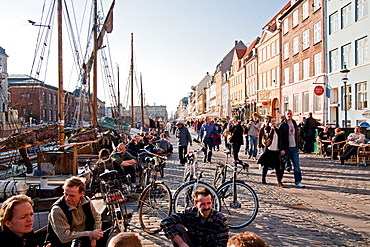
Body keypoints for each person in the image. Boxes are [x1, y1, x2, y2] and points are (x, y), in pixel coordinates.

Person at [45, 177, 106, 247]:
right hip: (64, 244)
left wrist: (95, 237)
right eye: (65, 194)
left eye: (71, 195)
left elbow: (97, 218)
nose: (67, 198)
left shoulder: (86, 201)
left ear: (81, 194)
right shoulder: (57, 210)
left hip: (84, 240)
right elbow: (65, 237)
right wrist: (91, 234)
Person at [160, 187, 229, 247]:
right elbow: (165, 222)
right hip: (191, 244)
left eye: (209, 203)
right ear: (195, 204)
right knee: (177, 227)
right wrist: (181, 243)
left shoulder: (220, 221)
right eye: (202, 204)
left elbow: (221, 245)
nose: (206, 207)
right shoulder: (190, 213)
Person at [279, 110, 305, 188]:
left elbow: (297, 136)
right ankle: (280, 181)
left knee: (296, 165)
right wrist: (281, 149)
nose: (289, 115)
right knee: (282, 166)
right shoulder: (283, 125)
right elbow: (280, 138)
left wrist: (298, 146)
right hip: (286, 148)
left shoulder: (294, 124)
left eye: (290, 114)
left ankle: (298, 181)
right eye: (288, 114)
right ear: (285, 115)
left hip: (294, 148)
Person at [258, 117, 285, 188]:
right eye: (272, 121)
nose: (273, 123)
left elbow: (280, 139)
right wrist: (272, 130)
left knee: (278, 167)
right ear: (269, 122)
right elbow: (268, 137)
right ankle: (263, 178)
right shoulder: (266, 129)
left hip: (276, 150)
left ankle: (279, 182)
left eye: (274, 121)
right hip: (269, 150)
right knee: (266, 165)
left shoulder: (277, 130)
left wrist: (281, 149)